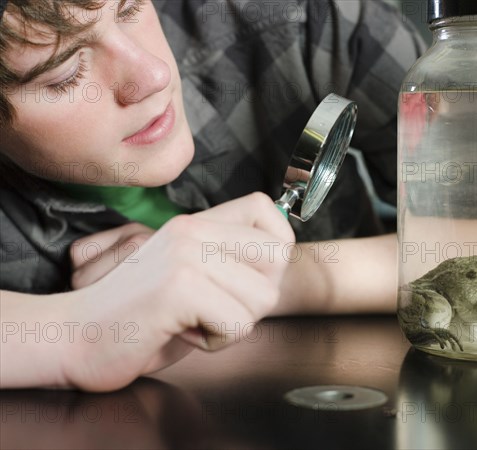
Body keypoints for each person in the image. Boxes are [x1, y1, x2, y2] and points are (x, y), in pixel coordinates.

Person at [0, 0, 424, 391]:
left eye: (129, 9)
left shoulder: (302, 16)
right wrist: (79, 333)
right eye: (65, 73)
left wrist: (265, 275)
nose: (154, 77)